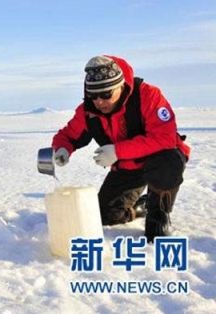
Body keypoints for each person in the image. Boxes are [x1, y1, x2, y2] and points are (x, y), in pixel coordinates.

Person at [51, 55, 190, 242]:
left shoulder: (148, 96)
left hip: (158, 161)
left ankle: (158, 214)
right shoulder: (88, 111)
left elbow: (164, 138)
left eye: (106, 94)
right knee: (105, 214)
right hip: (127, 168)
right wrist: (62, 149)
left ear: (121, 85)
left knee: (169, 161)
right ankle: (140, 207)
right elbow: (67, 135)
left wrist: (117, 151)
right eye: (93, 96)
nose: (99, 101)